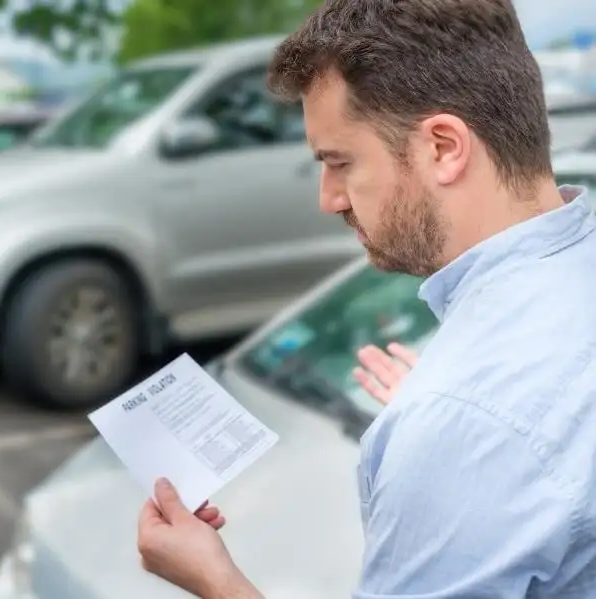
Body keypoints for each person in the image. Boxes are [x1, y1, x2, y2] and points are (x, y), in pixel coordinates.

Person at [137, 0, 596, 597]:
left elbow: (494, 424)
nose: (329, 198)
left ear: (443, 147)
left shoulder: (461, 420)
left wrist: (217, 582)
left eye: (339, 162)